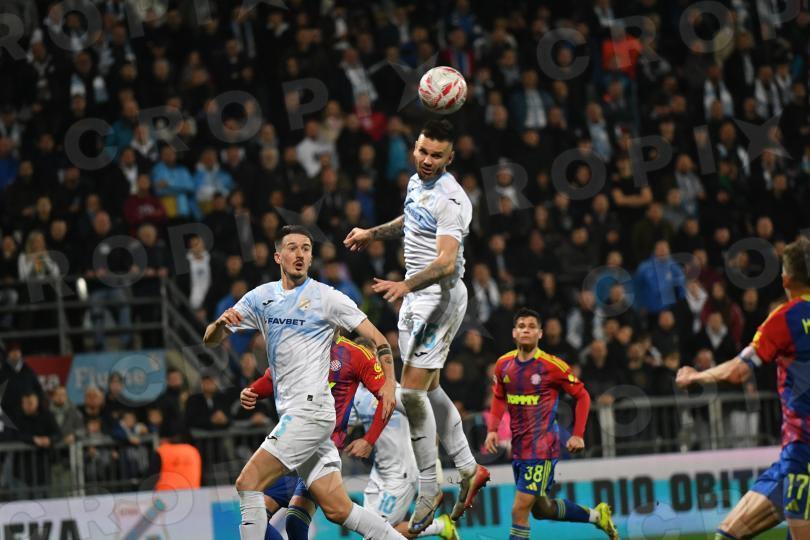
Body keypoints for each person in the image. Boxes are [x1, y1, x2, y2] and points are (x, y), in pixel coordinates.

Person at [203, 225, 402, 540]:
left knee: (247, 483)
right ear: (278, 256)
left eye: (306, 249)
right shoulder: (261, 297)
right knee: (338, 509)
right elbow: (211, 339)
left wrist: (389, 381)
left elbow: (379, 339)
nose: (300, 254)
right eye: (292, 248)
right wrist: (219, 324)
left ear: (311, 257)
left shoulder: (327, 297)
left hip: (309, 414)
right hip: (301, 417)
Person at [344, 119, 489, 532]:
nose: (427, 160)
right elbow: (410, 221)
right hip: (416, 297)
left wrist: (405, 285)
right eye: (423, 151)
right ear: (415, 148)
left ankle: (429, 486)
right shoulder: (416, 183)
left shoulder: (452, 199)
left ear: (450, 158)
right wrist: (372, 233)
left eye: (436, 155)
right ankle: (468, 466)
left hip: (438, 299)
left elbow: (446, 261)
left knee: (409, 392)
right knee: (430, 388)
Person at [676, 237, 810, 540]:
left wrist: (696, 377)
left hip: (803, 453)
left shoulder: (785, 318)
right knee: (729, 534)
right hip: (791, 460)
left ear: (786, 279)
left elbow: (738, 371)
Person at [239, 333, 392, 540]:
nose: (373, 365)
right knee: (264, 514)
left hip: (319, 452)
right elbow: (272, 377)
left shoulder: (362, 388)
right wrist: (253, 391)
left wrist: (368, 440)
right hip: (295, 445)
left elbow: (389, 401)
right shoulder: (312, 354)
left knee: (300, 518)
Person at [484, 308, 618, 540]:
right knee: (541, 510)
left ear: (540, 333)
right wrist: (492, 430)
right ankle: (597, 516)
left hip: (542, 449)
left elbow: (583, 396)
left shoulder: (552, 366)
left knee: (519, 510)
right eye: (521, 326)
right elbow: (498, 396)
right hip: (519, 448)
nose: (526, 330)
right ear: (514, 333)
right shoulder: (503, 364)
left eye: (532, 326)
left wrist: (578, 434)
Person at [351, 384, 459, 539]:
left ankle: (440, 526)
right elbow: (344, 424)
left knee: (376, 534)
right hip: (378, 474)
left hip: (401, 473)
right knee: (372, 531)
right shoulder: (357, 393)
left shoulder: (396, 392)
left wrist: (434, 465)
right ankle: (441, 526)